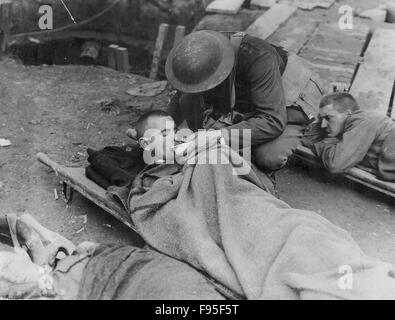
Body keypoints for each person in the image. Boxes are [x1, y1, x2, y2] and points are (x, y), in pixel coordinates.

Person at [165, 30, 324, 175]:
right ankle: (228, 133)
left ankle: (294, 130)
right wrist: (161, 126)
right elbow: (182, 92)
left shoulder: (259, 57)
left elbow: (273, 120)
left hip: (286, 100)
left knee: (267, 157)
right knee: (187, 101)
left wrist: (217, 136)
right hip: (250, 97)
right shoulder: (199, 50)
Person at [303, 92, 395, 181]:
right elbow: (307, 140)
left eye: (328, 118)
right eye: (322, 119)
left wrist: (321, 144)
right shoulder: (345, 128)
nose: (324, 125)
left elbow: (336, 164)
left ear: (347, 113)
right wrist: (319, 120)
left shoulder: (362, 119)